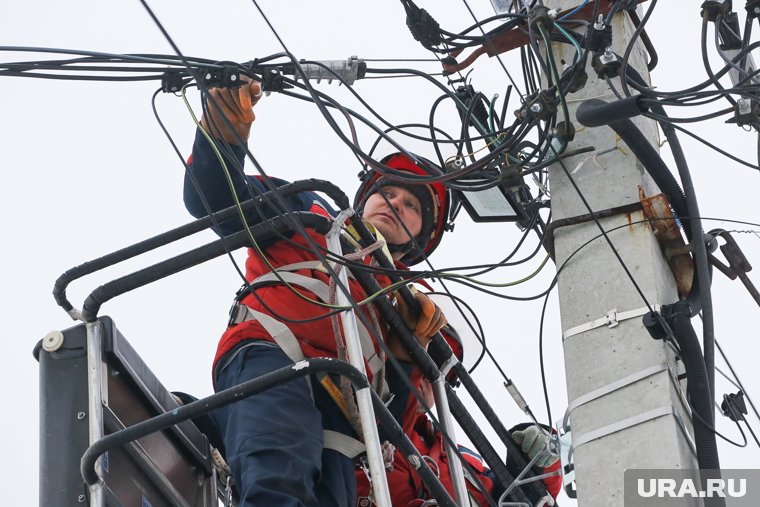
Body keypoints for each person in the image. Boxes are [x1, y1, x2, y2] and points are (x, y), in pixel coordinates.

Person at [184, 78, 452, 507]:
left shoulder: (410, 303)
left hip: (345, 415)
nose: (396, 203)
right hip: (273, 356)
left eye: (412, 205)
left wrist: (408, 351)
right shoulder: (311, 209)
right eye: (389, 191)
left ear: (421, 237)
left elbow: (392, 426)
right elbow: (215, 199)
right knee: (279, 482)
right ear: (365, 196)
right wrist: (222, 139)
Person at [354, 328, 563, 507]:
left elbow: (522, 498)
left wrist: (537, 459)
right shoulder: (364, 433)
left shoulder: (459, 456)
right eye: (415, 362)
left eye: (432, 369)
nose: (422, 376)